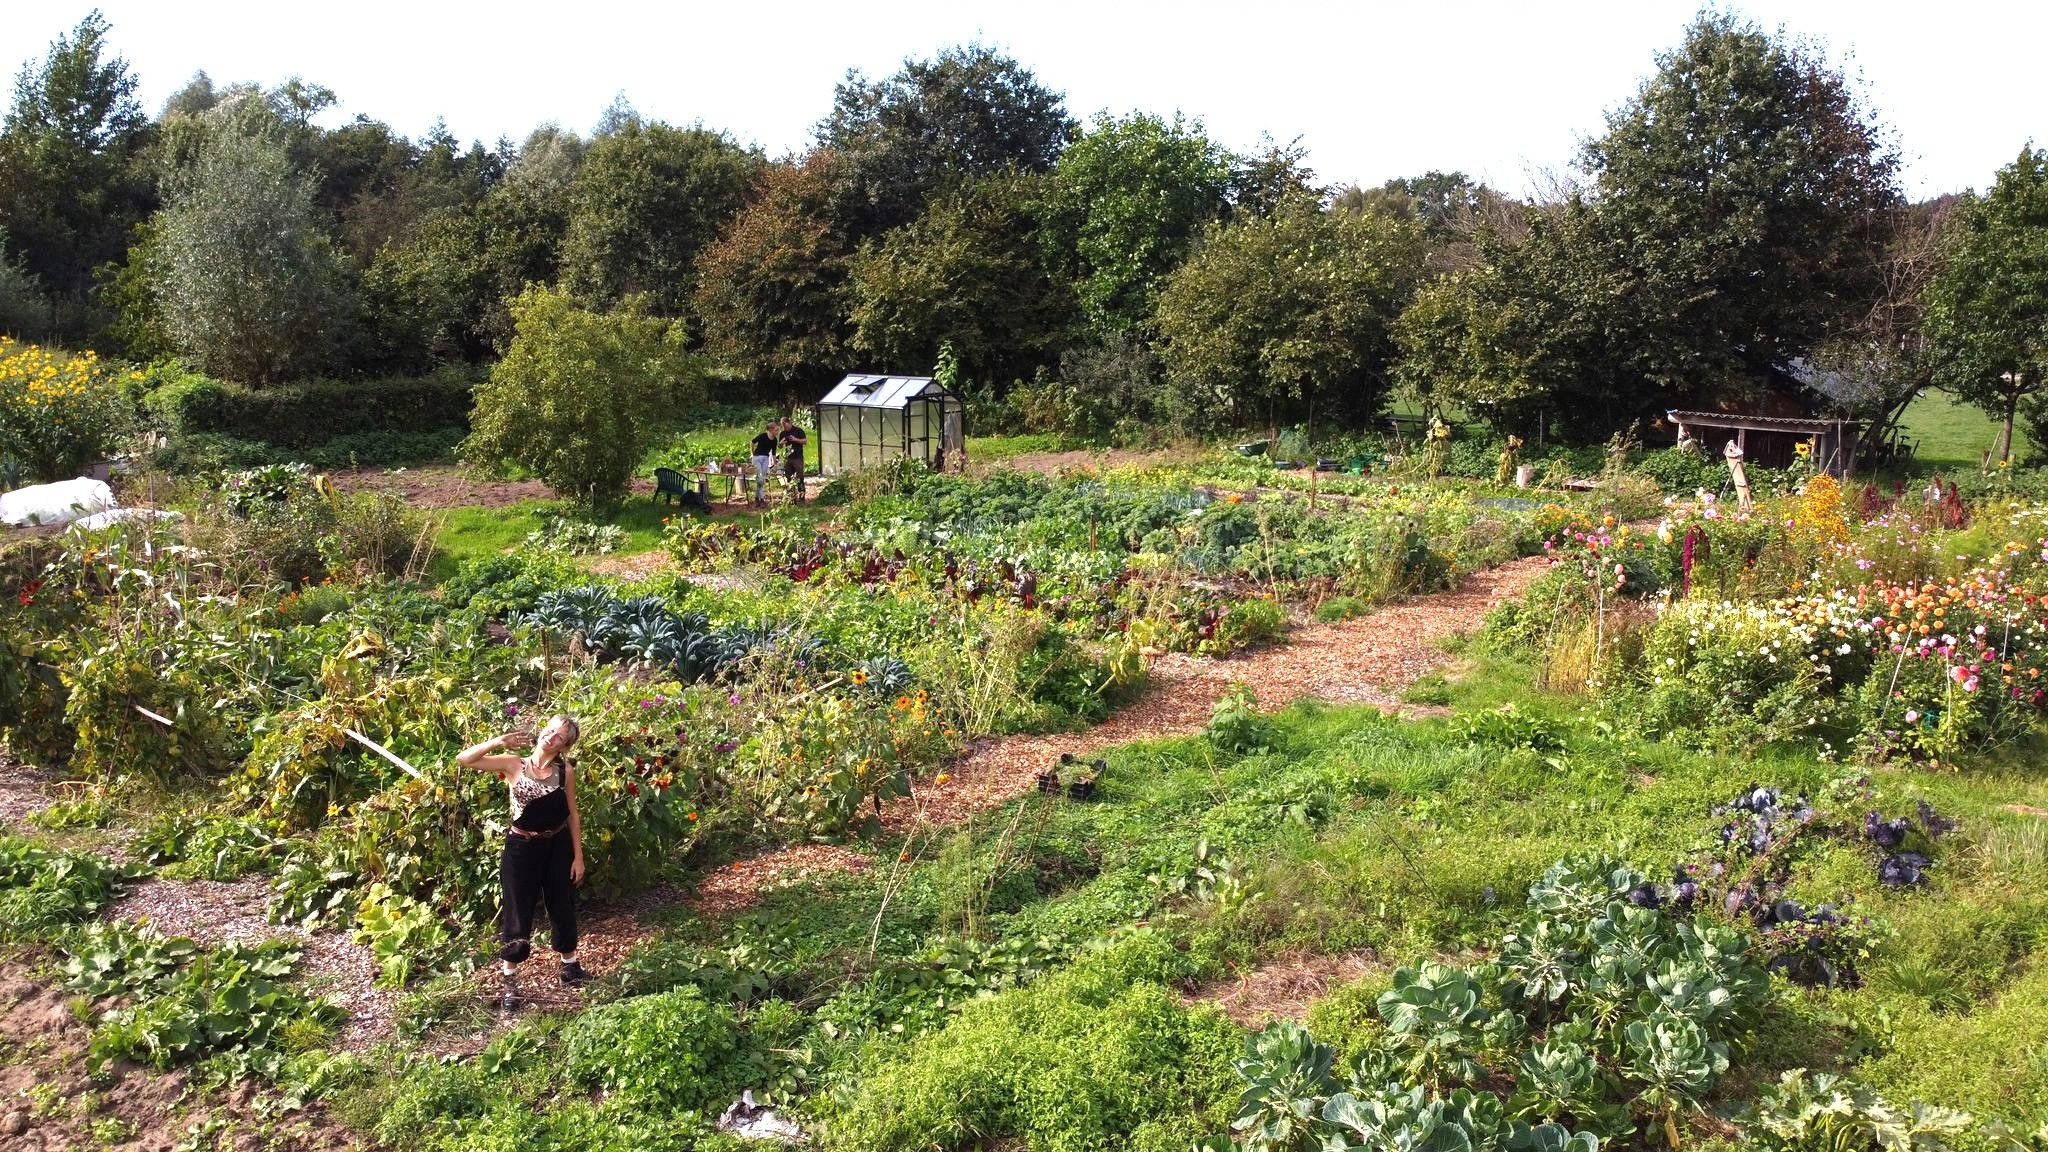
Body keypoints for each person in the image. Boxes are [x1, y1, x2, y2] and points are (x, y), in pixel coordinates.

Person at [457, 714, 589, 1010]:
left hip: (557, 845)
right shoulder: (514, 763)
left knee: (562, 903)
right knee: (518, 909)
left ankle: (570, 966)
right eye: (550, 729)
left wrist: (578, 856)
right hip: (521, 847)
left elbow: (573, 814)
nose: (551, 736)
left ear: (564, 745)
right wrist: (498, 741)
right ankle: (510, 982)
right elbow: (463, 759)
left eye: (560, 736)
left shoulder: (564, 771)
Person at [779, 417, 808, 503]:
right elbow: (779, 446)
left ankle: (802, 497)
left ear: (790, 423)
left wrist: (795, 439)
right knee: (789, 478)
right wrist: (781, 444)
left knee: (800, 478)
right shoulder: (783, 433)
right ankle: (792, 498)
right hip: (788, 458)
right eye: (783, 427)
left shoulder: (798, 430)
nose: (785, 428)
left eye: (786, 426)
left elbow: (805, 441)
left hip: (798, 457)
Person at [750, 422, 778, 506]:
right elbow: (752, 442)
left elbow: (773, 453)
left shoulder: (775, 440)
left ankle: (757, 498)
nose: (777, 432)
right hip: (757, 458)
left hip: (766, 459)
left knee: (762, 479)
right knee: (760, 478)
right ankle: (761, 499)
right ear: (770, 430)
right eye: (776, 430)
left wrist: (775, 464)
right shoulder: (762, 436)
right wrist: (751, 453)